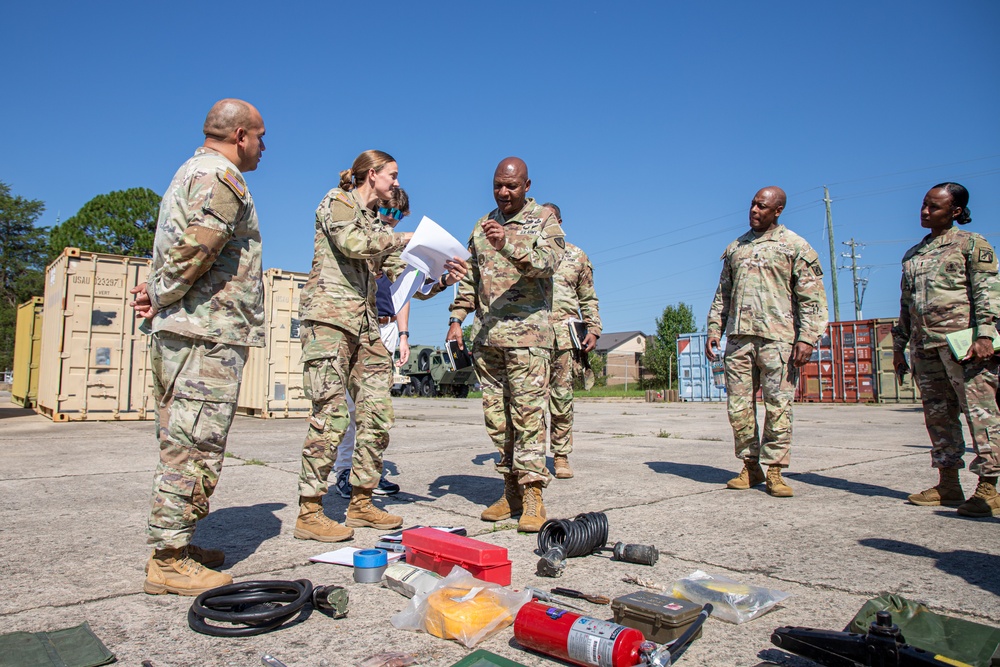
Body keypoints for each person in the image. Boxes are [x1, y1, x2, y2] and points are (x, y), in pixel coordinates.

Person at [129, 98, 266, 595]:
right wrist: (163, 293)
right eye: (260, 137)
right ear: (240, 135)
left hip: (189, 330)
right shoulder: (223, 177)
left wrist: (155, 291)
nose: (263, 147)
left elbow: (176, 248)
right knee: (194, 446)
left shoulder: (189, 171)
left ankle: (178, 544)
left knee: (182, 438)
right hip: (205, 335)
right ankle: (168, 559)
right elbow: (199, 247)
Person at [295, 151, 466, 541]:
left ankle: (361, 502)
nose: (397, 183)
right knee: (331, 412)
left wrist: (440, 277)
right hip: (330, 320)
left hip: (366, 323)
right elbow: (353, 242)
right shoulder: (336, 202)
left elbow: (399, 280)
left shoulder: (376, 222)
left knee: (376, 412)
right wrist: (404, 237)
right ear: (372, 175)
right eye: (393, 175)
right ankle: (309, 510)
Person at [447, 157, 565, 532]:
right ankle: (510, 489)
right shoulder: (482, 226)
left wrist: (509, 243)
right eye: (498, 185)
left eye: (511, 186)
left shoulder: (544, 220)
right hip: (488, 338)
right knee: (498, 419)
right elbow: (470, 277)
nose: (503, 192)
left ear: (527, 186)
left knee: (528, 416)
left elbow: (549, 262)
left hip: (529, 337)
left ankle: (533, 495)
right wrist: (456, 318)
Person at [706, 186, 828, 498]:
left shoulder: (794, 246)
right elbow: (723, 295)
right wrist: (713, 331)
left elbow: (812, 297)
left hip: (778, 340)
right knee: (739, 407)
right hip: (739, 340)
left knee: (778, 406)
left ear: (778, 211)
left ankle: (774, 470)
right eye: (753, 204)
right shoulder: (737, 248)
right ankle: (750, 465)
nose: (754, 210)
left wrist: (808, 339)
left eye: (762, 206)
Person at [892, 182, 1000, 518]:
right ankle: (948, 482)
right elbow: (906, 306)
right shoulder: (914, 254)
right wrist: (900, 347)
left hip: (965, 347)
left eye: (934, 207)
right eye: (924, 205)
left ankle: (988, 488)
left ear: (955, 211)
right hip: (926, 347)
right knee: (938, 416)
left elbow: (988, 292)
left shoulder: (971, 245)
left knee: (980, 414)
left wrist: (986, 335)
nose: (925, 212)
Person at [334, 189, 414, 499]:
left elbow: (403, 293)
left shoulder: (395, 249)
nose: (391, 220)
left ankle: (368, 473)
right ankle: (344, 471)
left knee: (377, 408)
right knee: (352, 406)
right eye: (388, 212)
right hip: (359, 327)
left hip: (388, 326)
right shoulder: (362, 237)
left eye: (398, 216)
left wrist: (404, 334)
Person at [541, 202, 601, 479]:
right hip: (533, 338)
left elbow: (588, 298)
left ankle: (561, 456)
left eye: (550, 219)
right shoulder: (528, 256)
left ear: (560, 222)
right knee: (532, 402)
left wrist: (594, 328)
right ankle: (535, 457)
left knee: (562, 399)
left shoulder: (577, 256)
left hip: (565, 338)